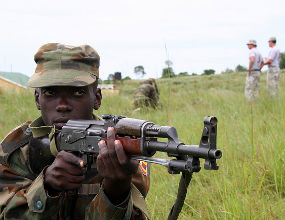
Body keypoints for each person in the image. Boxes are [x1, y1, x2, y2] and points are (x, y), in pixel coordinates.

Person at [0, 43, 150, 220]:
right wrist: (47, 185)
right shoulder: (17, 148)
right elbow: (7, 215)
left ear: (97, 98)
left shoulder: (120, 147)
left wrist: (115, 188)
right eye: (50, 92)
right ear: (37, 99)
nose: (62, 105)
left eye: (77, 92)